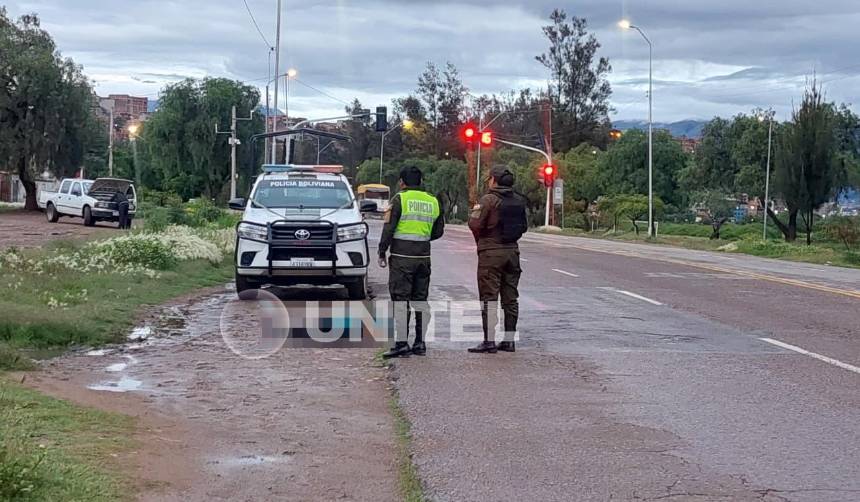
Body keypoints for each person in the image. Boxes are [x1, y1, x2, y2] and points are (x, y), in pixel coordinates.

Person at [379, 166, 445, 358]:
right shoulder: (433, 201)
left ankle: (401, 343)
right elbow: (438, 231)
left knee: (400, 300)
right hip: (423, 258)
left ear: (402, 182)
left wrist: (382, 251)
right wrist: (422, 238)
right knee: (421, 300)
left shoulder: (399, 199)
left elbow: (389, 228)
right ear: (420, 181)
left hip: (402, 259)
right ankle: (420, 343)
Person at [467, 165, 528, 354]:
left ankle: (489, 341)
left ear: (494, 180)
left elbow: (474, 223)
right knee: (510, 298)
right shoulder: (519, 201)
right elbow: (524, 227)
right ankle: (509, 341)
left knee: (489, 297)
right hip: (512, 253)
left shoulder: (489, 200)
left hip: (491, 254)